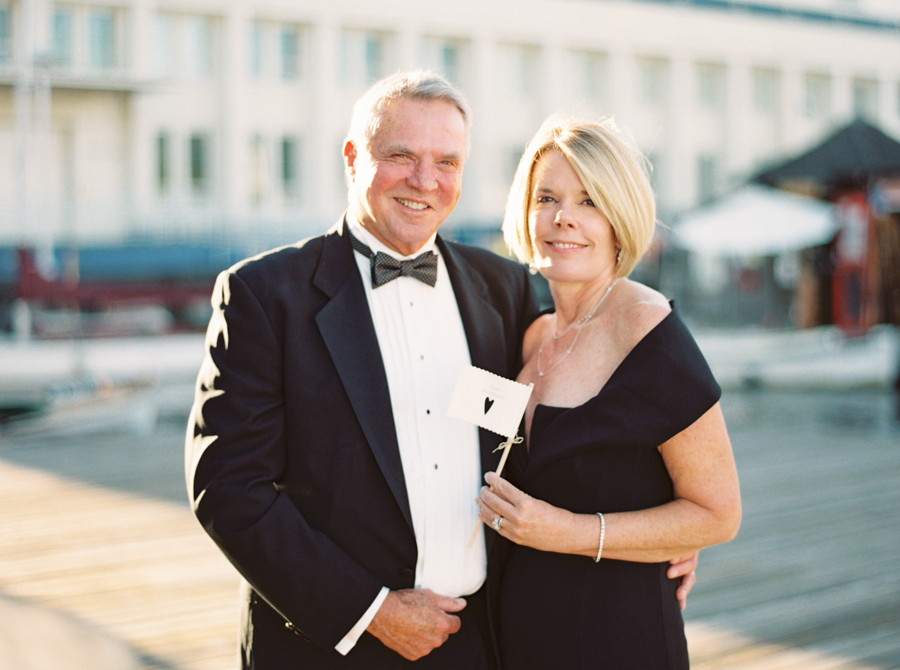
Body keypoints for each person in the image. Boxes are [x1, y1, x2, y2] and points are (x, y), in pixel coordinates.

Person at [186, 72, 697, 669]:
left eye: (446, 162)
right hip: (329, 645)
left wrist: (664, 532)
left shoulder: (502, 288)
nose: (424, 181)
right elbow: (226, 487)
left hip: (480, 640)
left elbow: (558, 432)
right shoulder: (263, 294)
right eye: (401, 156)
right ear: (353, 159)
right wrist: (371, 611)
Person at [476, 115, 742, 669]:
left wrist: (568, 532)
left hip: (615, 636)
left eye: (589, 200)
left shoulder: (647, 329)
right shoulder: (530, 334)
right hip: (514, 634)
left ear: (620, 219)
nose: (562, 217)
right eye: (546, 196)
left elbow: (718, 514)